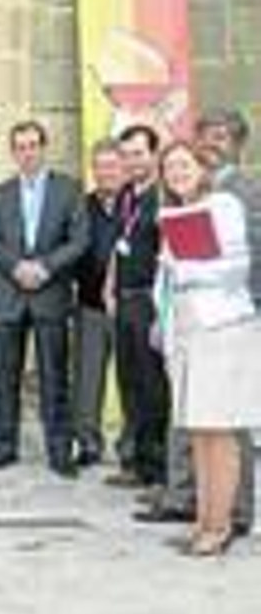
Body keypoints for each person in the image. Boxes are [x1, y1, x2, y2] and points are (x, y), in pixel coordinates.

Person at [144, 110, 261, 533]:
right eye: (170, 168)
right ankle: (204, 517)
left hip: (222, 326)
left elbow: (238, 265)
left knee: (223, 427)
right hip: (186, 327)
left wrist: (190, 264)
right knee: (197, 428)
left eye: (184, 165)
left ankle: (225, 522)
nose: (177, 173)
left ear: (201, 169)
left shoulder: (225, 203)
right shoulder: (174, 210)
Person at [0, 120, 90, 477]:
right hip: (8, 295)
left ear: (44, 148)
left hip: (51, 293)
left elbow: (79, 240)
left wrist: (45, 267)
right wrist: (16, 267)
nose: (27, 153)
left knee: (54, 377)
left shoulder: (68, 189)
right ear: (13, 152)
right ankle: (3, 447)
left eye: (33, 145)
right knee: (4, 377)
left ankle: (59, 452)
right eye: (20, 147)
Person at [107, 125, 168, 490]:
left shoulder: (164, 198)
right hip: (124, 300)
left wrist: (162, 307)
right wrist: (109, 288)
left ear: (154, 155)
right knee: (129, 383)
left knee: (153, 386)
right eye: (126, 155)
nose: (132, 161)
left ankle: (159, 471)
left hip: (150, 301)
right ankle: (137, 464)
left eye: (139, 154)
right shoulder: (126, 195)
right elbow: (119, 245)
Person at [74, 140, 125, 469]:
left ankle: (131, 446)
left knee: (132, 381)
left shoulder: (135, 204)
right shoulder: (81, 206)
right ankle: (88, 442)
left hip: (129, 307)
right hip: (90, 304)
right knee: (87, 378)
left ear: (123, 168)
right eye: (100, 166)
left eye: (112, 166)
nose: (106, 172)